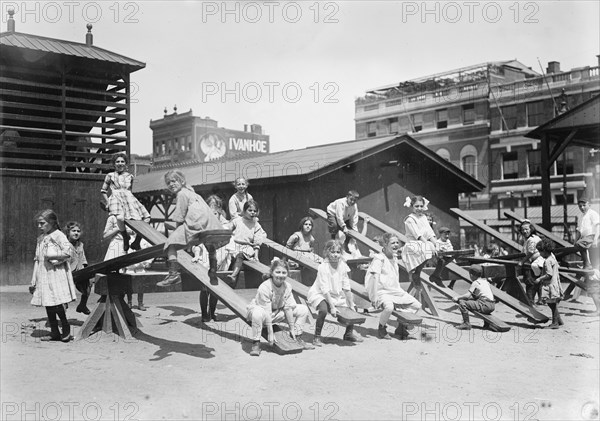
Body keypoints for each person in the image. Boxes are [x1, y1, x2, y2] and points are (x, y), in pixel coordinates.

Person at [157, 170, 224, 287]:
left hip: (196, 224)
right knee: (209, 243)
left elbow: (179, 216)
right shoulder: (193, 193)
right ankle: (213, 269)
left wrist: (177, 234)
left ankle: (173, 274)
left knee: (170, 244)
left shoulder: (181, 194)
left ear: (182, 181)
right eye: (168, 183)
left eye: (174, 181)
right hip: (208, 223)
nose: (171, 184)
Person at [246, 258, 315, 356]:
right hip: (261, 315)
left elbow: (288, 308)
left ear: (287, 274)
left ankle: (297, 337)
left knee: (303, 309)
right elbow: (266, 312)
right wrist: (270, 333)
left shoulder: (287, 286)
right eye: (278, 272)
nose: (281, 275)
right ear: (272, 273)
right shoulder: (265, 287)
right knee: (257, 313)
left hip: (276, 313)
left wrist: (291, 328)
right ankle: (256, 343)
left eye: (284, 272)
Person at [29, 210, 77, 342]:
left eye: (42, 223)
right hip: (43, 273)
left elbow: (69, 253)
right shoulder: (40, 238)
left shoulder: (59, 235)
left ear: (52, 222)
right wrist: (34, 279)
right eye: (38, 224)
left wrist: (54, 257)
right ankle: (54, 332)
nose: (40, 226)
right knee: (48, 302)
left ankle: (66, 329)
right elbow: (37, 259)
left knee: (57, 302)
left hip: (56, 273)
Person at [365, 233, 421, 339]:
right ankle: (381, 327)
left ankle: (401, 326)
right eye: (392, 243)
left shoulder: (394, 257)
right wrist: (374, 296)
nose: (396, 245)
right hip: (381, 290)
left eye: (397, 242)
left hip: (394, 290)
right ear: (385, 244)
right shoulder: (379, 258)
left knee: (416, 305)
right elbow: (375, 277)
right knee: (389, 308)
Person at [307, 240, 362, 346]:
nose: (335, 255)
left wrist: (351, 304)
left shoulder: (342, 265)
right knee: (323, 310)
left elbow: (346, 287)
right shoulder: (323, 267)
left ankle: (348, 334)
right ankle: (316, 337)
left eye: (338, 252)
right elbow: (325, 289)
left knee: (353, 307)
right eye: (332, 252)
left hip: (336, 294)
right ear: (327, 252)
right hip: (320, 294)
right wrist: (331, 307)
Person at [193, 194, 232, 322]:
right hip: (206, 254)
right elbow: (197, 242)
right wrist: (197, 253)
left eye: (215, 212)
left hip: (220, 253)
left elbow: (229, 237)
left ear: (220, 210)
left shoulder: (225, 224)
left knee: (215, 286)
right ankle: (204, 313)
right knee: (205, 286)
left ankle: (212, 312)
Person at [100, 153, 151, 251]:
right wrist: (108, 203)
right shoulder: (110, 175)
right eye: (117, 162)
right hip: (116, 198)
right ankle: (125, 237)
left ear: (126, 163)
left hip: (129, 198)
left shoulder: (130, 176)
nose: (120, 163)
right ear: (114, 164)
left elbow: (130, 191)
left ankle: (137, 242)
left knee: (147, 217)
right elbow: (103, 191)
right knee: (119, 217)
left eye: (122, 161)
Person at [401, 196, 437, 302]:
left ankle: (436, 274)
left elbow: (430, 233)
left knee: (440, 250)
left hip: (423, 243)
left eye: (421, 206)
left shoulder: (424, 217)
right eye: (416, 206)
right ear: (412, 206)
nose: (419, 208)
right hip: (413, 244)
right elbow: (418, 235)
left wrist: (437, 244)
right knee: (429, 247)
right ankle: (417, 272)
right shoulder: (409, 219)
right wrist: (431, 245)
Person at [226, 200, 267, 286]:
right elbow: (227, 230)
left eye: (255, 211)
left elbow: (257, 241)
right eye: (250, 210)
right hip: (234, 245)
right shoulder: (237, 221)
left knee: (240, 255)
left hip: (246, 248)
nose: (252, 213)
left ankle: (233, 275)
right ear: (244, 211)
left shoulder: (256, 225)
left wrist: (256, 256)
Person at [452, 264, 496, 330]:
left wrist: (458, 297)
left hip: (485, 304)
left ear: (471, 275)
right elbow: (476, 296)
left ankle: (466, 324)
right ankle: (487, 324)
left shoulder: (476, 282)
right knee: (477, 301)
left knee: (462, 303)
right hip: (492, 305)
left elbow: (467, 296)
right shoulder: (485, 281)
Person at [536, 238, 564, 328]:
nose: (539, 254)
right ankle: (559, 320)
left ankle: (555, 323)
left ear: (544, 251)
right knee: (553, 304)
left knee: (551, 304)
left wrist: (539, 278)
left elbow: (549, 274)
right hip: (555, 284)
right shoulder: (552, 258)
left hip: (550, 285)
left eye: (540, 252)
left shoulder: (548, 261)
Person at [64, 221, 90, 315]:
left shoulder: (80, 245)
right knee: (64, 295)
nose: (76, 233)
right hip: (67, 272)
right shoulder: (64, 244)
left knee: (88, 285)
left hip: (79, 271)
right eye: (73, 231)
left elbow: (83, 259)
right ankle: (63, 312)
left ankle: (83, 305)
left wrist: (85, 269)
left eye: (78, 231)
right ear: (68, 232)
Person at [518, 220, 544, 305]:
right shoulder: (529, 239)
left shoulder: (532, 239)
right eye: (522, 230)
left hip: (537, 262)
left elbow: (531, 252)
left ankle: (530, 301)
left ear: (531, 229)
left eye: (526, 229)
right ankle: (539, 299)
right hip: (537, 262)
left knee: (529, 281)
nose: (524, 231)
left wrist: (522, 261)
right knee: (538, 281)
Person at [575, 196, 599, 270]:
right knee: (577, 244)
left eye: (584, 205)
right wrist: (575, 240)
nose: (582, 207)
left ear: (589, 205)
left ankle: (587, 264)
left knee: (580, 244)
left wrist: (595, 239)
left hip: (592, 236)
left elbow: (598, 227)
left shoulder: (592, 213)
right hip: (585, 238)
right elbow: (579, 230)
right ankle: (586, 263)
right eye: (580, 206)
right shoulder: (580, 216)